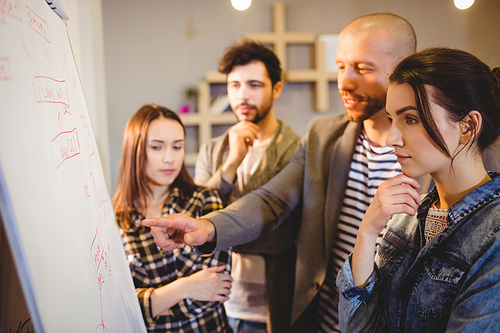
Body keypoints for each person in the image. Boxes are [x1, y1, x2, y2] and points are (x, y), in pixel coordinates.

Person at [143, 14, 500, 333]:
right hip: (330, 313)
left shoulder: (457, 174)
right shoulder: (323, 137)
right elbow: (272, 200)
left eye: (361, 68)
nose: (344, 81)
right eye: (341, 66)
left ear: (401, 68)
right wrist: (209, 227)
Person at [337, 47, 500, 332]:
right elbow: (358, 328)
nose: (392, 138)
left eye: (410, 119)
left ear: (468, 126)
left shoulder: (493, 236)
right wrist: (366, 233)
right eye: (391, 119)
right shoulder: (406, 215)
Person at [194, 40, 301, 333]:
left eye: (254, 85)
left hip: (274, 302)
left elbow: (285, 230)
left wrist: (220, 232)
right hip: (217, 303)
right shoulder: (212, 150)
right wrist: (230, 164)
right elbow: (197, 213)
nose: (242, 95)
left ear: (276, 89)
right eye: (234, 85)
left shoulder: (298, 150)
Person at [112, 104, 233, 332]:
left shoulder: (205, 200)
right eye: (157, 147)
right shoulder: (114, 221)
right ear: (135, 151)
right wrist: (185, 287)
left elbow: (216, 287)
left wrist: (153, 302)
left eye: (177, 147)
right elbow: (120, 307)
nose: (170, 158)